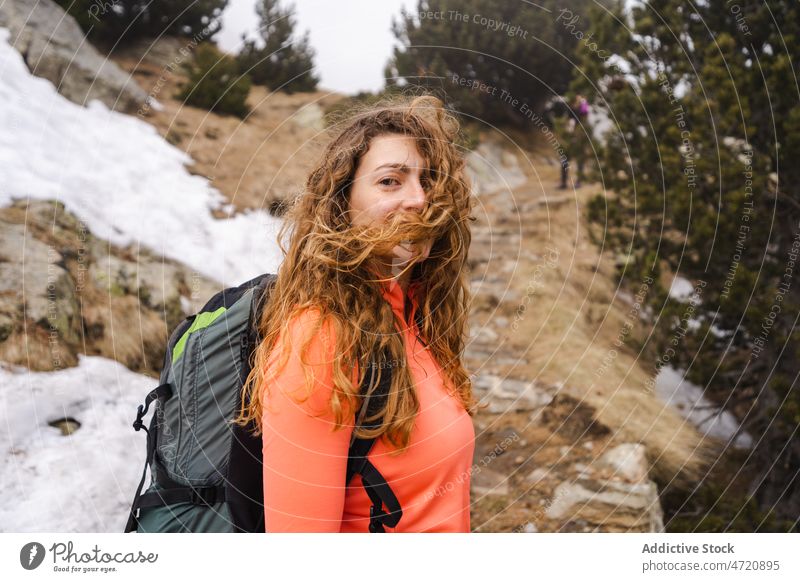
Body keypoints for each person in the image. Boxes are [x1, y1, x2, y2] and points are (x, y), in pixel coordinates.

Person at [234, 95, 478, 532]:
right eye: (390, 181)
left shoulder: (417, 318)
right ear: (341, 204)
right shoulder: (317, 339)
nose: (418, 199)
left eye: (428, 180)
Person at [558, 94, 590, 189]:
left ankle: (578, 182)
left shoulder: (583, 111)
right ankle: (564, 183)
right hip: (570, 138)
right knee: (565, 160)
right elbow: (567, 122)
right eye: (577, 98)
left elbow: (585, 113)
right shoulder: (571, 110)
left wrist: (583, 103)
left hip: (579, 138)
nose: (578, 100)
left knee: (579, 161)